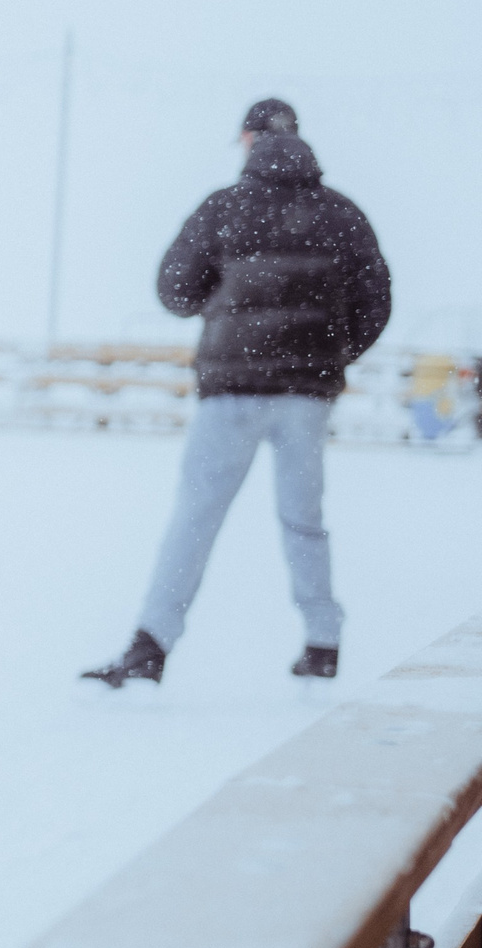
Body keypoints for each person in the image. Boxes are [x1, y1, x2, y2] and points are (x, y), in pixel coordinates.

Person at [83, 99, 390, 688]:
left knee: (196, 517)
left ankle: (150, 646)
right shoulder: (341, 213)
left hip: (232, 388)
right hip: (307, 398)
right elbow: (377, 301)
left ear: (250, 139)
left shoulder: (223, 209)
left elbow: (173, 290)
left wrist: (223, 305)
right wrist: (332, 352)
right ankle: (323, 641)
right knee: (303, 519)